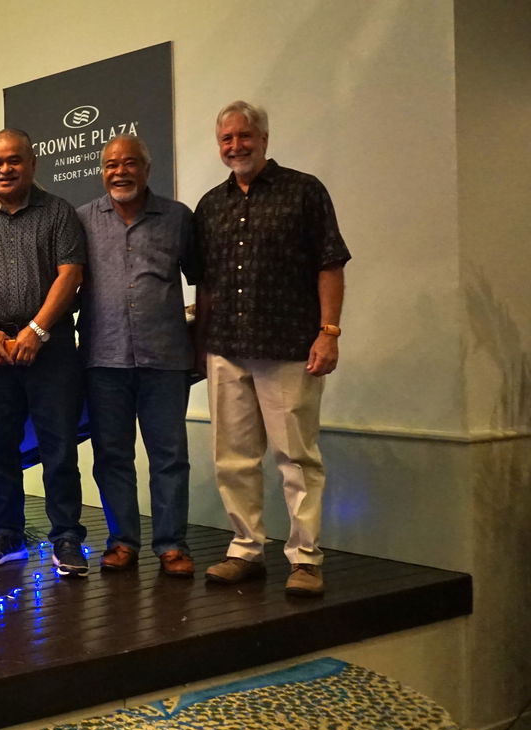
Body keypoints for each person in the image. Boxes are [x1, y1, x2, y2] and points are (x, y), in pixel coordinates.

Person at [194, 101, 350, 597]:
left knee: (297, 459)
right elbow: (205, 282)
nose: (235, 146)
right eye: (226, 139)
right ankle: (245, 549)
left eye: (244, 136)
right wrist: (202, 345)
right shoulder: (210, 205)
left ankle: (305, 559)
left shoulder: (304, 191)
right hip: (227, 347)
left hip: (287, 347)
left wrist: (329, 332)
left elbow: (330, 264)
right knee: (233, 458)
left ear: (264, 137)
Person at [0, 129, 89, 576]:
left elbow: (71, 274)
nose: (4, 169)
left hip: (51, 351)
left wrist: (37, 330)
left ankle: (66, 538)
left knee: (59, 447)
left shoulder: (59, 213)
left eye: (13, 161)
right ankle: (7, 533)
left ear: (32, 164)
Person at [76, 136, 198, 579]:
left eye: (129, 164)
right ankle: (122, 541)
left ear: (147, 168)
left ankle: (172, 545)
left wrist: (201, 346)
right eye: (111, 165)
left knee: (169, 456)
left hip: (165, 358)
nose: (120, 172)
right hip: (102, 358)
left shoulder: (178, 218)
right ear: (102, 171)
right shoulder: (82, 220)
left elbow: (205, 280)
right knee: (112, 456)